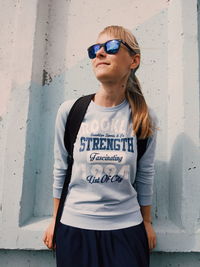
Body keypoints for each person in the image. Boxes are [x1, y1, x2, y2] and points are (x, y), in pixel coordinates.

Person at [43, 25, 158, 267]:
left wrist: (147, 222)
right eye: (95, 49)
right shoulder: (71, 111)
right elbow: (61, 168)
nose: (100, 53)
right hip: (74, 229)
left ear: (134, 60)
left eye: (112, 47)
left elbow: (146, 174)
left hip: (127, 231)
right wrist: (55, 219)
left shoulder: (143, 117)